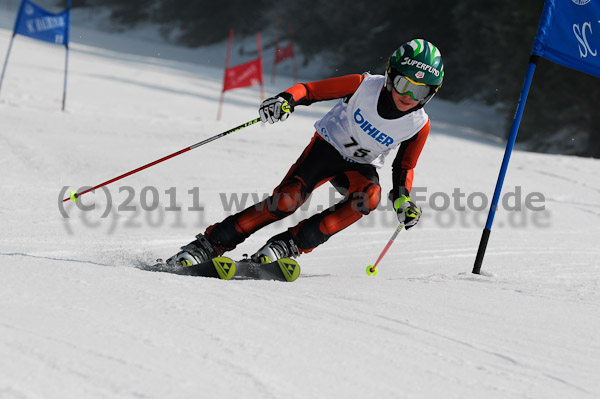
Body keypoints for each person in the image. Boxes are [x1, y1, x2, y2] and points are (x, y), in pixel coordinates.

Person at [167, 38, 444, 266]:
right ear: (390, 76)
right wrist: (285, 100)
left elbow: (404, 168)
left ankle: (288, 245)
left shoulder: (418, 124)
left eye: (420, 92)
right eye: (404, 84)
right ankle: (210, 244)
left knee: (369, 198)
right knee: (287, 201)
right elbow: (309, 90)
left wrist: (403, 201)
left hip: (358, 167)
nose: (408, 96)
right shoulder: (363, 86)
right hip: (326, 150)